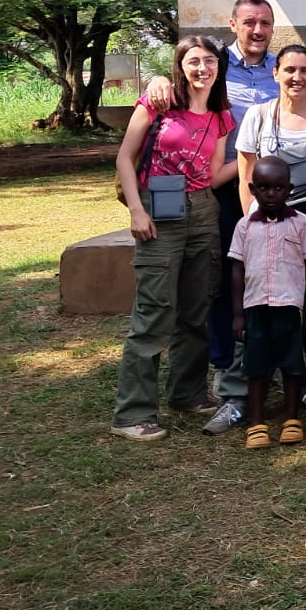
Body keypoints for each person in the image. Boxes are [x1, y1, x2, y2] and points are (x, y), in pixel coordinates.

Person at [143, 0, 278, 437]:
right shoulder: (216, 65)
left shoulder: (281, 67)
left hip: (270, 189)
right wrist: (160, 77)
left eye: (265, 23)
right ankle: (223, 365)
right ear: (234, 24)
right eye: (249, 22)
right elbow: (183, 76)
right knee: (221, 281)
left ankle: (268, 360)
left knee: (264, 275)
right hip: (217, 187)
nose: (257, 30)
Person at [111, 36, 236, 441]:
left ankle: (187, 393)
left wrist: (253, 159)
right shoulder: (159, 103)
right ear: (180, 66)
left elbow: (213, 175)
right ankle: (132, 413)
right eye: (194, 61)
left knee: (197, 309)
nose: (203, 68)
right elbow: (125, 158)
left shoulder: (221, 116)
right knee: (154, 311)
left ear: (219, 66)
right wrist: (136, 209)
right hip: (158, 207)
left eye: (210, 61)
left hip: (203, 210)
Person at [229, 157, 306, 450]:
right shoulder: (244, 226)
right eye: (264, 188)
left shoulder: (300, 222)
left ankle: (292, 419)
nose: (271, 194)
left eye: (278, 188)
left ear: (289, 189)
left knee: (293, 363)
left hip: (290, 307)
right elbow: (237, 270)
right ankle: (257, 422)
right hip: (255, 307)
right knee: (256, 365)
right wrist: (238, 315)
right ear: (252, 190)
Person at [235, 44, 306, 224]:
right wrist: (251, 225)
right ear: (275, 73)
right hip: (268, 222)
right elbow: (246, 179)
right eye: (289, 70)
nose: (297, 77)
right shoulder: (257, 116)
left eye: (304, 71)